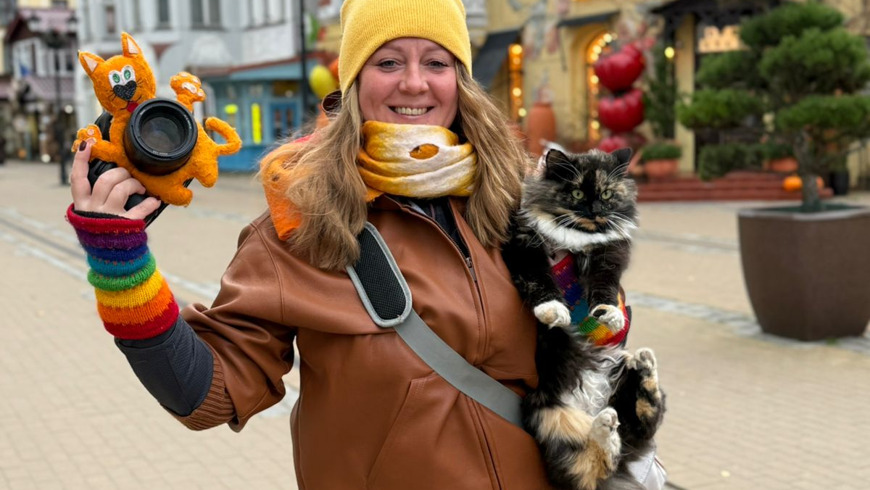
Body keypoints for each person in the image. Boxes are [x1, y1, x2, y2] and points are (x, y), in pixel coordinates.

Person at [66, 0, 558, 487]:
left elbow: (584, 344)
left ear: (460, 80)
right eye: (388, 62)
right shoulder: (302, 221)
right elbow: (206, 391)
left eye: (436, 62)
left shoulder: (519, 200)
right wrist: (120, 265)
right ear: (354, 81)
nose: (414, 82)